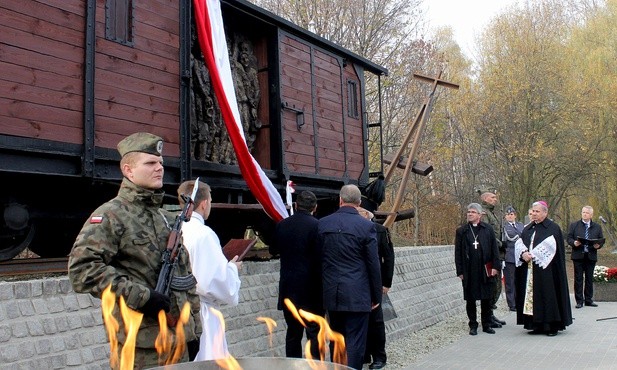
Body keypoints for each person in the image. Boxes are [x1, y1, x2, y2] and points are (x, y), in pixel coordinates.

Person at [68, 132, 201, 368]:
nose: (159, 168)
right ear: (128, 171)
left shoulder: (165, 218)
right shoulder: (112, 215)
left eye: (160, 162)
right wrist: (142, 296)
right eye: (150, 163)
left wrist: (194, 331)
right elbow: (82, 270)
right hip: (141, 347)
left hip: (179, 342)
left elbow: (184, 277)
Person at [318, 185, 382, 370]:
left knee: (336, 339)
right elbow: (373, 264)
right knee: (355, 342)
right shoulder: (366, 227)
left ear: (340, 199)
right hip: (357, 293)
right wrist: (376, 296)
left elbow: (318, 259)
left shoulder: (323, 224)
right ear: (359, 203)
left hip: (332, 293)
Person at [177, 179, 242, 360]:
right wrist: (232, 268)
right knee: (208, 360)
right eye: (211, 201)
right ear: (204, 204)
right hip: (202, 314)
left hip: (179, 310)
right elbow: (215, 282)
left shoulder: (175, 229)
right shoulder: (204, 234)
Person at [270, 190, 324, 359]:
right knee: (314, 333)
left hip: (289, 288)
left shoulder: (282, 225)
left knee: (293, 333)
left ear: (295, 205)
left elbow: (273, 250)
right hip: (313, 290)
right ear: (315, 208)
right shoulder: (318, 227)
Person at [514, 200, 572, 336]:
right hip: (530, 271)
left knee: (548, 295)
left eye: (537, 211)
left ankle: (551, 325)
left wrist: (536, 254)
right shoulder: (528, 228)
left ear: (545, 213)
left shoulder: (553, 228)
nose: (534, 214)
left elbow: (555, 250)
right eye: (533, 211)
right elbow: (520, 244)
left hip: (549, 272)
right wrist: (524, 254)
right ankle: (536, 324)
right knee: (533, 297)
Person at [454, 203, 501, 336]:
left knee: (486, 298)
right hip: (469, 271)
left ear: (480, 215)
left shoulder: (488, 229)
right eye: (468, 212)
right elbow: (458, 252)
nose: (470, 214)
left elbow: (494, 249)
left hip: (485, 269)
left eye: (473, 212)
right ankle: (473, 324)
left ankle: (486, 324)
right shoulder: (462, 231)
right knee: (471, 299)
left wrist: (496, 267)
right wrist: (460, 271)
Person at [357, 208, 395, 370]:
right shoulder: (354, 229)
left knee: (376, 322)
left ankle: (379, 356)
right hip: (357, 283)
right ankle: (364, 354)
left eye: (359, 212)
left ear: (366, 214)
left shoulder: (380, 231)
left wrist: (386, 283)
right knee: (360, 320)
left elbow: (389, 258)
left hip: (375, 283)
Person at [566, 205, 604, 309]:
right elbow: (569, 237)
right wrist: (574, 242)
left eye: (587, 213)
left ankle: (588, 299)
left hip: (591, 255)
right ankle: (579, 301)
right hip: (578, 255)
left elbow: (601, 239)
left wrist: (598, 245)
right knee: (578, 278)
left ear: (591, 215)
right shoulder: (574, 225)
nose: (584, 214)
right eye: (583, 212)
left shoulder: (597, 227)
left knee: (589, 278)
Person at [479, 191, 506, 326]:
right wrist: (500, 244)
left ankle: (490, 314)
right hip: (490, 255)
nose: (495, 199)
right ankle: (487, 317)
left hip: (497, 254)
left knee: (497, 287)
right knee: (492, 287)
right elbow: (486, 234)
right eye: (492, 197)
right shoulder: (483, 214)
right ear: (485, 199)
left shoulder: (492, 213)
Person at [503, 206, 524, 311]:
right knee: (510, 282)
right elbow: (511, 237)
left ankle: (519, 300)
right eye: (508, 215)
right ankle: (512, 304)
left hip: (520, 256)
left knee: (519, 280)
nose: (510, 216)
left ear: (515, 215)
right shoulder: (504, 227)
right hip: (510, 256)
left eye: (511, 214)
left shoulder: (520, 225)